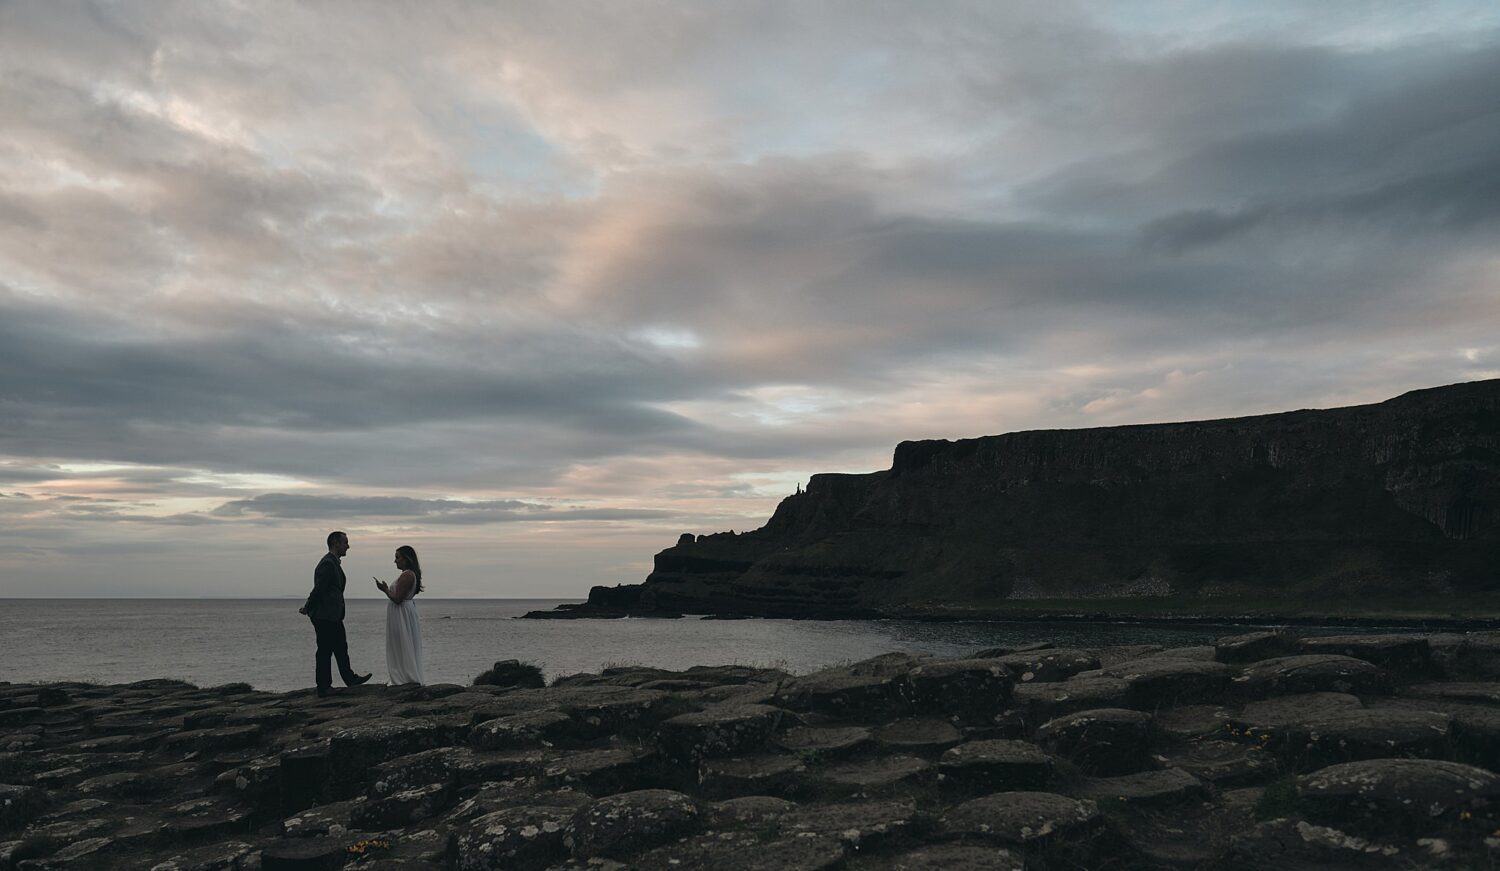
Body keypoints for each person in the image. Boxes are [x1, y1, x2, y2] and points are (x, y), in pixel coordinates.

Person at [299, 531, 371, 697]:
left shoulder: (333, 563)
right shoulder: (328, 564)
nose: (348, 546)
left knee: (340, 647)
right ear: (335, 543)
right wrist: (308, 607)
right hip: (324, 615)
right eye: (345, 542)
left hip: (333, 615)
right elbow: (319, 589)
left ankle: (350, 678)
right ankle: (324, 687)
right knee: (325, 650)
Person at [375, 544, 425, 685]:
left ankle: (405, 677)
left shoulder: (407, 575)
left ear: (406, 559)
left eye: (397, 558)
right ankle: (403, 675)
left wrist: (384, 589)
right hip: (403, 612)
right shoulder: (408, 574)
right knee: (402, 643)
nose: (395, 561)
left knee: (402, 643)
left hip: (401, 613)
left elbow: (397, 598)